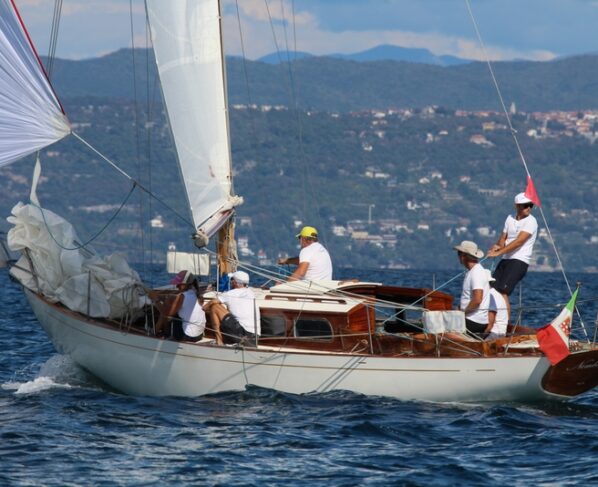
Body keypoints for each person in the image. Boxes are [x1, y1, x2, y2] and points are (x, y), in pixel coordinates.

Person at [487, 192, 538, 322]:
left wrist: (499, 252)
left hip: (519, 261)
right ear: (517, 206)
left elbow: (519, 241)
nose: (528, 208)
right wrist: (497, 247)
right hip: (506, 259)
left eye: (530, 205)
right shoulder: (509, 218)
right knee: (492, 289)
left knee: (502, 291)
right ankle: (493, 321)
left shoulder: (531, 221)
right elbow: (503, 238)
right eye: (525, 205)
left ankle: (505, 324)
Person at [204, 270, 260, 345]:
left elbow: (213, 302)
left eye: (232, 280)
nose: (230, 282)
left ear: (235, 282)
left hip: (243, 334)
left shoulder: (231, 293)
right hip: (254, 337)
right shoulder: (251, 293)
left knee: (215, 307)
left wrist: (204, 308)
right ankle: (226, 339)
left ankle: (219, 341)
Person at [454, 240, 490, 336]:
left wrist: (462, 314)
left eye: (459, 253)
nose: (458, 256)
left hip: (474, 321)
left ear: (464, 256)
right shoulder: (472, 271)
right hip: (471, 319)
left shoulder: (476, 272)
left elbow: (477, 299)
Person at [167, 270, 206, 342]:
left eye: (179, 284)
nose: (177, 286)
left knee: (171, 317)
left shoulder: (182, 296)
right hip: (199, 335)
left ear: (186, 284)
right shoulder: (197, 294)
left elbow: (168, 315)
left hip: (188, 335)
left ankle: (163, 335)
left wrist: (156, 300)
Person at [484, 270, 508, 341]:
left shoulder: (490, 295)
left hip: (495, 333)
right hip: (499, 332)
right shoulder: (494, 293)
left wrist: (480, 336)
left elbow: (490, 324)